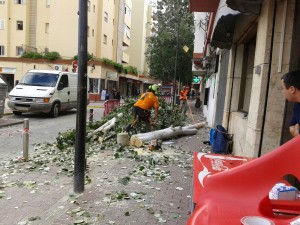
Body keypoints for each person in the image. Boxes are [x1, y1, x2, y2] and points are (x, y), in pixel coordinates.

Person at [281, 70, 300, 137]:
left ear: (292, 89)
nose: (282, 92)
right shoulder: (297, 105)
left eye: (283, 88)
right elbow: (292, 127)